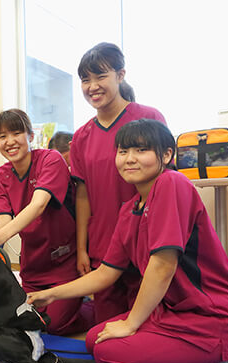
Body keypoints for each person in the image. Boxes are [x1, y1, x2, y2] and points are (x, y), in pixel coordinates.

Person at [27, 119, 228, 363]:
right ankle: (209, 362)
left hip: (214, 319)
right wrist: (51, 294)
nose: (129, 159)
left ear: (167, 155)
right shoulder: (129, 209)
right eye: (123, 151)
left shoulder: (172, 184)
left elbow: (162, 266)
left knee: (109, 354)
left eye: (141, 150)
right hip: (173, 314)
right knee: (94, 339)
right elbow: (105, 273)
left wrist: (131, 324)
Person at [70, 42, 167, 324]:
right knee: (102, 337)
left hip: (146, 243)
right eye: (85, 79)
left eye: (100, 76)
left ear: (120, 75)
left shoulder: (149, 118)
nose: (92, 86)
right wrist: (81, 249)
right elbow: (83, 196)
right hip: (103, 245)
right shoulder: (82, 137)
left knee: (148, 328)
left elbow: (164, 185)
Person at [0, 109, 93, 336]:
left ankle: (90, 306)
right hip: (33, 267)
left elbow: (38, 205)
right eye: (2, 137)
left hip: (65, 262)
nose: (9, 142)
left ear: (30, 135)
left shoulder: (50, 159)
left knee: (54, 325)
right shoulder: (0, 176)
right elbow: (4, 218)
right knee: (27, 320)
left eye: (16, 133)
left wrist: (1, 235)